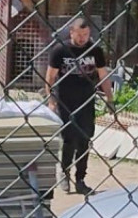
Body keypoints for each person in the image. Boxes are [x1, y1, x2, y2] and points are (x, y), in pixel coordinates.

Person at [45, 17, 113, 196]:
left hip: (86, 100)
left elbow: (103, 75)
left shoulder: (95, 50)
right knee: (69, 139)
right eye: (79, 34)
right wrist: (51, 100)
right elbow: (50, 77)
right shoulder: (60, 50)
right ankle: (64, 172)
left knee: (84, 139)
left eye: (86, 34)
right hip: (65, 101)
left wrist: (110, 98)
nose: (83, 38)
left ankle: (80, 179)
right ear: (71, 32)